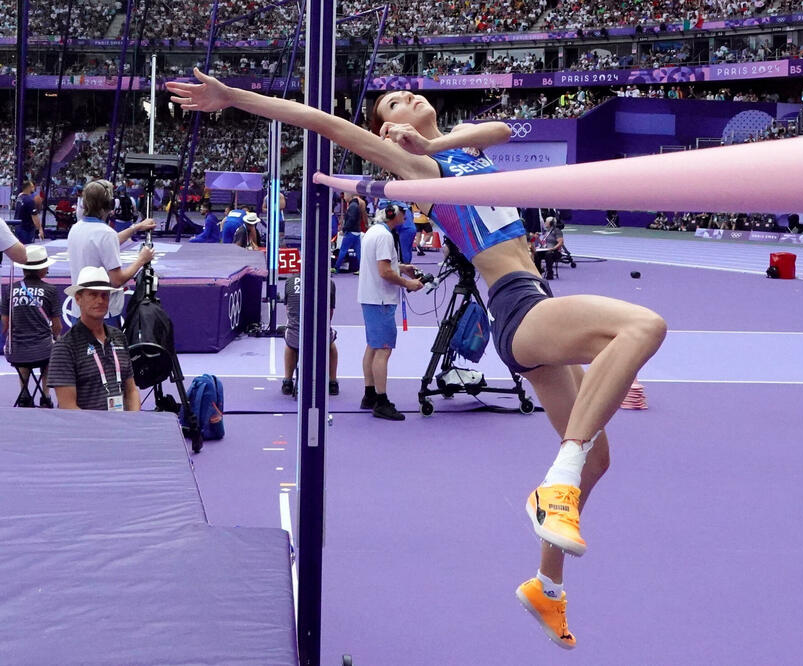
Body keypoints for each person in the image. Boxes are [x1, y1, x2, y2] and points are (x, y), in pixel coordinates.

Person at [167, 72, 666, 649]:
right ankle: (557, 485)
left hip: (535, 305)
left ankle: (546, 585)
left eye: (409, 92)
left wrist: (436, 140)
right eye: (394, 102)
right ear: (390, 129)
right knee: (641, 326)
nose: (410, 97)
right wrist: (232, 98)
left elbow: (501, 128)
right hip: (517, 306)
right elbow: (322, 123)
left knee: (595, 457)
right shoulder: (422, 172)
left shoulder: (455, 150)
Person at [357, 204, 423, 421]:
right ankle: (381, 401)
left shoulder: (373, 233)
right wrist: (408, 283)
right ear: (394, 215)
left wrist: (401, 267)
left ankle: (370, 394)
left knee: (373, 346)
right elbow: (384, 272)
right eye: (404, 215)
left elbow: (382, 265)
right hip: (381, 299)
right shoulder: (385, 237)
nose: (406, 219)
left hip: (370, 297)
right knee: (383, 350)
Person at [48, 266, 141, 411]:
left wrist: (133, 422)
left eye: (104, 295)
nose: (100, 300)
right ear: (78, 299)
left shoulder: (118, 337)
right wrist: (101, 431)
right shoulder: (64, 347)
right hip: (87, 431)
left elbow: (131, 390)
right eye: (93, 294)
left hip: (123, 428)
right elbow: (68, 407)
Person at [67, 179, 156, 319]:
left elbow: (104, 241)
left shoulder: (76, 228)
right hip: (103, 312)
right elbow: (117, 280)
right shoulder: (105, 234)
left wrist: (135, 228)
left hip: (79, 310)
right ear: (110, 204)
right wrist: (141, 260)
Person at [1, 245, 61, 407]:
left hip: (15, 352)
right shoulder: (51, 290)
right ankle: (46, 395)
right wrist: (56, 337)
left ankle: (24, 394)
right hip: (43, 350)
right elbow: (57, 326)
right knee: (54, 349)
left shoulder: (9, 289)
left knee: (24, 352)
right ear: (42, 269)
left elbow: (5, 325)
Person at [282, 272, 339, 397]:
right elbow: (330, 313)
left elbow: (288, 310)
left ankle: (287, 381)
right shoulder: (329, 283)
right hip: (321, 334)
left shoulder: (289, 282)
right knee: (332, 347)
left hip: (295, 333)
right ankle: (333, 382)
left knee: (289, 345)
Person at [334, 194, 365, 272]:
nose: (344, 197)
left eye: (345, 195)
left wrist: (344, 229)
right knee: (359, 252)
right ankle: (362, 269)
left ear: (349, 196)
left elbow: (351, 220)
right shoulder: (355, 205)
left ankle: (336, 268)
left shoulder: (352, 206)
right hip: (356, 232)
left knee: (343, 250)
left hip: (351, 232)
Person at [533, 216, 564, 280]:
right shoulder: (547, 232)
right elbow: (542, 244)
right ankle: (539, 271)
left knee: (548, 254)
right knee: (536, 254)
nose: (544, 223)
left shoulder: (557, 231)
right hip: (546, 250)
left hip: (555, 252)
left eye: (546, 222)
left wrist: (553, 248)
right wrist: (537, 238)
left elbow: (561, 242)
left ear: (551, 223)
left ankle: (550, 273)